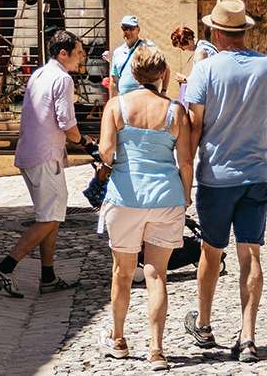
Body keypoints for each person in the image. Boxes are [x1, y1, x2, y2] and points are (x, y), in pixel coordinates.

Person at [179, 0, 267, 363]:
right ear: (243, 31)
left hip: (217, 175)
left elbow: (194, 124)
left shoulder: (205, 70)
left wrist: (189, 171)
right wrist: (256, 145)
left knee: (212, 251)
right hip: (258, 173)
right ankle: (248, 335)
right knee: (251, 252)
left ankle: (206, 324)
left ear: (215, 31)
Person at [97, 45, 194, 368]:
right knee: (157, 275)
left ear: (133, 74)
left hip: (125, 196)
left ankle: (120, 338)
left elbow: (107, 152)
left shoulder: (116, 106)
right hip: (165, 197)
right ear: (162, 74)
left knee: (122, 272)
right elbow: (185, 162)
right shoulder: (175, 111)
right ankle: (157, 349)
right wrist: (186, 194)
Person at [0, 30, 86, 299]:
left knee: (50, 217)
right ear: (63, 53)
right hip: (46, 156)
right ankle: (5, 266)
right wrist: (86, 142)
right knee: (50, 217)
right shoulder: (63, 79)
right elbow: (66, 123)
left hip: (31, 153)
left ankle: (47, 276)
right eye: (78, 53)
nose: (81, 59)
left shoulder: (39, 74)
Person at [106, 15, 153, 95]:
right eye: (124, 28)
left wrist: (163, 91)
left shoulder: (147, 47)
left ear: (138, 30)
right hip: (123, 100)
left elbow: (164, 69)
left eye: (131, 28)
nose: (127, 31)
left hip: (142, 99)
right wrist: (112, 102)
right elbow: (114, 80)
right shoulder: (117, 52)